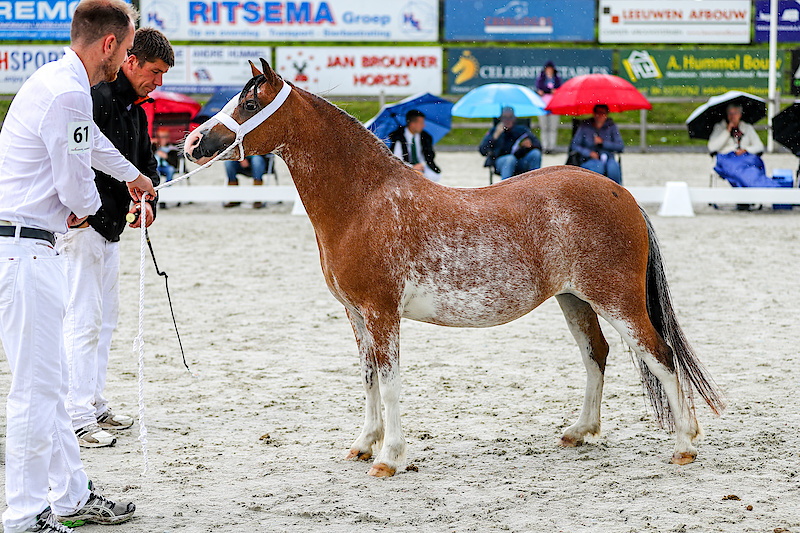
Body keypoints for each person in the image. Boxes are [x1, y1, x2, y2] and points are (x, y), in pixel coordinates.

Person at [0, 1, 155, 531]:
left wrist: (132, 175)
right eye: (127, 49)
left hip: (27, 247)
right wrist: (92, 210)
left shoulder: (62, 83)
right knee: (36, 390)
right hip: (25, 250)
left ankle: (70, 496)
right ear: (109, 44)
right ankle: (24, 515)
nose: (128, 59)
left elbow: (92, 144)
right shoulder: (69, 91)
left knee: (50, 382)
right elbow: (74, 183)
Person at [57, 27, 173, 451]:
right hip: (82, 226)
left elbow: (147, 166)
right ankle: (76, 416)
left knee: (105, 319)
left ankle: (93, 401)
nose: (157, 82)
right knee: (83, 319)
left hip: (111, 229)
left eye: (163, 75)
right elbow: (77, 157)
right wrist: (79, 208)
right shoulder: (94, 98)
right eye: (154, 72)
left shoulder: (138, 111)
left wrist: (148, 202)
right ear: (131, 60)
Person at [708, 103, 775, 188]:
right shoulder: (720, 127)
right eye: (730, 113)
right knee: (743, 173)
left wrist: (745, 150)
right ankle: (761, 186)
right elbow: (712, 147)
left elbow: (759, 147)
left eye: (735, 113)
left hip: (746, 159)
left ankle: (767, 186)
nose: (732, 116)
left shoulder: (747, 128)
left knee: (753, 171)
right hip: (728, 159)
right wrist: (727, 131)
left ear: (740, 114)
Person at [479, 106, 542, 180]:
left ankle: (534, 182)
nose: (508, 120)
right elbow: (482, 150)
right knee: (510, 159)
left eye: (510, 117)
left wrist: (531, 145)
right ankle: (506, 186)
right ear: (501, 118)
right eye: (505, 117)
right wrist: (495, 137)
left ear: (514, 118)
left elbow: (539, 146)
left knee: (536, 153)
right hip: (501, 162)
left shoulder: (522, 130)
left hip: (520, 161)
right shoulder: (495, 131)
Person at [570, 104, 624, 184]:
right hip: (589, 159)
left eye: (603, 113)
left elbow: (620, 146)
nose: (600, 115)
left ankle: (615, 190)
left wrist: (603, 143)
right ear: (594, 113)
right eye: (598, 112)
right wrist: (589, 153)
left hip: (608, 158)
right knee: (598, 168)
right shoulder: (585, 126)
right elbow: (574, 145)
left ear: (606, 114)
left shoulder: (612, 127)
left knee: (613, 168)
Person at [388, 109, 441, 182]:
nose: (424, 125)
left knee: (435, 176)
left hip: (422, 167)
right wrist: (412, 167)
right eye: (421, 123)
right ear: (413, 124)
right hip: (406, 168)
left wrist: (423, 164)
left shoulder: (425, 137)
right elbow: (397, 160)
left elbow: (429, 156)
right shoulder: (399, 138)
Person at [536, 60, 562, 153]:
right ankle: (545, 146)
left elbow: (558, 89)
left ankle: (552, 147)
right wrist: (549, 90)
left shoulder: (557, 78)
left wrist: (546, 91)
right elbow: (540, 88)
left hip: (554, 107)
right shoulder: (541, 78)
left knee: (552, 128)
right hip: (543, 106)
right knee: (544, 127)